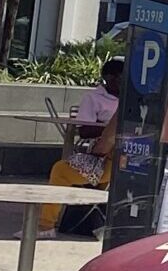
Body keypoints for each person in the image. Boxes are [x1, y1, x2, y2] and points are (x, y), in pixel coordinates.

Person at [42, 60, 121, 231]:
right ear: (109, 78)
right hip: (121, 160)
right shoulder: (96, 98)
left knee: (60, 170)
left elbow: (107, 138)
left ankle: (45, 225)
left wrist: (104, 132)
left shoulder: (124, 108)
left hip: (108, 158)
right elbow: (85, 130)